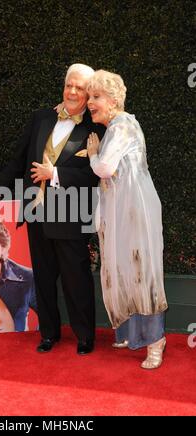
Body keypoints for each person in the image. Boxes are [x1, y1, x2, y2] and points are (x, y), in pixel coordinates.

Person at [0, 63, 106, 354]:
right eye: (69, 85)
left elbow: (96, 175)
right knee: (44, 279)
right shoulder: (41, 117)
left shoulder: (96, 127)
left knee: (77, 280)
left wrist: (56, 175)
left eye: (80, 88)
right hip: (35, 212)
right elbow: (18, 159)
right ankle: (49, 334)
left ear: (89, 93)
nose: (72, 91)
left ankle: (85, 336)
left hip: (73, 213)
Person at [86, 69, 168, 368]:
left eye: (96, 96)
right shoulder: (115, 127)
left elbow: (105, 168)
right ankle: (131, 333)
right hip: (122, 209)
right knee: (122, 268)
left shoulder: (123, 126)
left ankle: (156, 341)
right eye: (89, 96)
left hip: (136, 210)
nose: (90, 102)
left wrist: (94, 155)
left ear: (113, 99)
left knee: (141, 271)